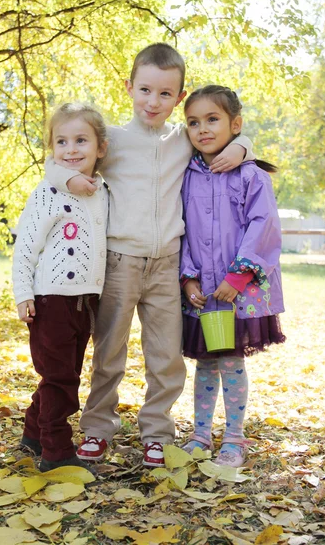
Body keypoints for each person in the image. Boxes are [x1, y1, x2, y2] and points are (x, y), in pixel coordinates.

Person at [44, 44, 255, 468]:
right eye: (145, 90)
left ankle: (157, 432)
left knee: (166, 356)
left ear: (179, 98)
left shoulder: (184, 140)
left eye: (164, 94)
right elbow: (57, 161)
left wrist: (244, 146)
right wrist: (69, 179)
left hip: (167, 265)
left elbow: (227, 134)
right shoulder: (112, 141)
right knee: (109, 353)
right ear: (129, 88)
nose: (153, 102)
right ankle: (99, 428)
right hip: (119, 261)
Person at [180, 85, 285, 467]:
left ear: (235, 124)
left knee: (231, 361)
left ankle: (235, 438)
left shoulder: (251, 175)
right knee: (206, 362)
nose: (202, 129)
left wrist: (239, 276)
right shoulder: (186, 175)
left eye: (212, 119)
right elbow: (181, 228)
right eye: (193, 122)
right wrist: (187, 277)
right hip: (202, 293)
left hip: (238, 291)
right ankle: (200, 434)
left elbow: (264, 226)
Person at [12, 102, 108, 472]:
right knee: (59, 379)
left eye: (81, 140)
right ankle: (56, 453)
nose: (71, 149)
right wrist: (23, 294)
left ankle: (33, 434)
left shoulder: (103, 190)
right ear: (52, 149)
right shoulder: (48, 192)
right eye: (62, 142)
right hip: (50, 300)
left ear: (100, 147)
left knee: (63, 374)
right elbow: (25, 247)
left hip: (84, 303)